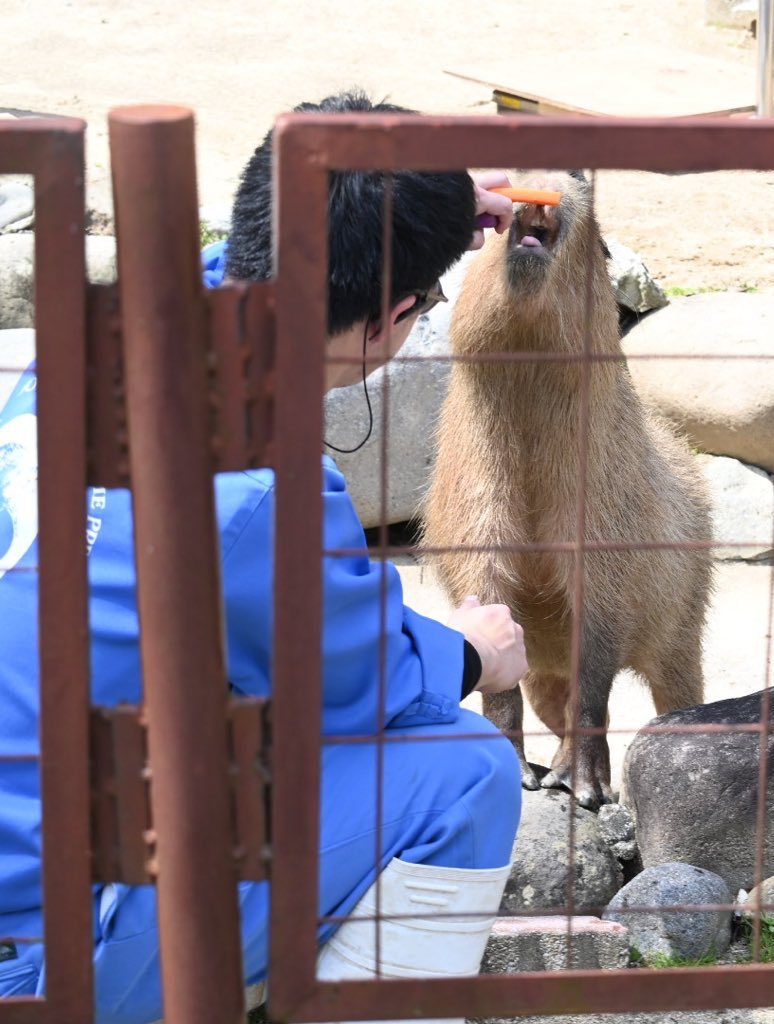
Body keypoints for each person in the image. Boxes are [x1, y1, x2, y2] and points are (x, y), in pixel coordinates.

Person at [0, 89, 525, 1024]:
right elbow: (374, 689)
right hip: (43, 963)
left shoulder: (86, 336)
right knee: (464, 765)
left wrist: (427, 212)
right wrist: (472, 650)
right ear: (394, 317)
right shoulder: (259, 485)